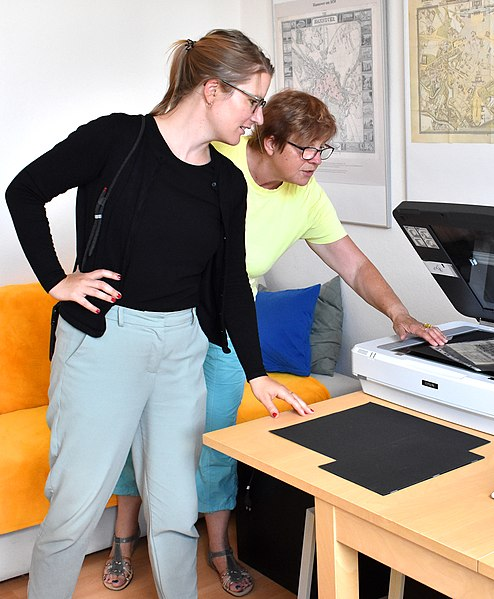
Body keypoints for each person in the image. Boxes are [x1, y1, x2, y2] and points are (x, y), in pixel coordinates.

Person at [5, 30, 312, 599]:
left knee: (175, 509)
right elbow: (23, 191)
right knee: (74, 509)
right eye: (254, 100)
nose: (257, 117)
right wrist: (57, 281)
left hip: (183, 349)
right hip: (104, 344)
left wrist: (257, 373)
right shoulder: (115, 140)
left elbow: (230, 285)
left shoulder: (227, 182)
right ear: (214, 90)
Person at [109, 89, 447, 596]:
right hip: (168, 311)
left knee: (219, 435)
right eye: (305, 150)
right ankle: (122, 537)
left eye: (322, 150)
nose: (315, 161)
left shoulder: (307, 196)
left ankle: (221, 546)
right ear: (268, 142)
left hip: (229, 322)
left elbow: (352, 263)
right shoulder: (217, 157)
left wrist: (400, 314)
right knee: (142, 427)